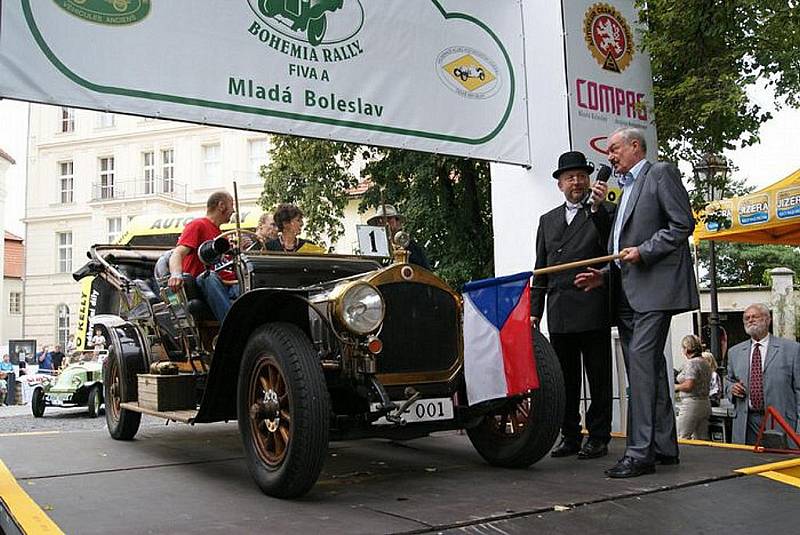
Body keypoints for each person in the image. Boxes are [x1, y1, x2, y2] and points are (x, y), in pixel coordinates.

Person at [575, 127, 699, 478]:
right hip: (627, 292)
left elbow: (681, 225)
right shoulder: (623, 192)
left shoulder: (659, 173)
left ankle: (639, 452)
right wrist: (605, 273)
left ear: (634, 147)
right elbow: (617, 245)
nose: (610, 156)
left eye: (614, 149)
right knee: (651, 370)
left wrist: (644, 252)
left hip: (655, 291)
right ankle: (663, 447)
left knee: (642, 366)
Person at [532, 150, 614, 460]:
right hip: (560, 311)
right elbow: (540, 268)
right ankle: (570, 435)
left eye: (581, 176)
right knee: (565, 379)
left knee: (599, 377)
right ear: (560, 184)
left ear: (589, 180)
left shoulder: (601, 211)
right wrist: (534, 311)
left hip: (592, 307)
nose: (576, 182)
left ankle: (599, 436)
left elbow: (610, 244)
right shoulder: (548, 220)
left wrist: (599, 208)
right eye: (570, 178)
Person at [727, 303, 800, 445]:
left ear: (768, 319)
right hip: (746, 423)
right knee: (747, 463)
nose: (750, 320)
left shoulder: (792, 350)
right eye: (746, 318)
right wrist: (731, 388)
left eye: (755, 316)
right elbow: (729, 381)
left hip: (780, 422)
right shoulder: (734, 352)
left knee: (777, 464)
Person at [168, 191, 239, 321]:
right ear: (221, 205)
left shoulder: (222, 235)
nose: (233, 211)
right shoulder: (197, 225)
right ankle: (233, 330)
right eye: (231, 205)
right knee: (208, 276)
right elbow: (177, 253)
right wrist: (176, 275)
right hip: (205, 284)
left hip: (230, 285)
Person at [367, 204, 430, 269]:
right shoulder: (374, 248)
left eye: (389, 219)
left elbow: (425, 271)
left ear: (397, 222)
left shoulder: (411, 246)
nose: (385, 223)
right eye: (380, 220)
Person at [674, 335, 712, 440]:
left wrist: (675, 387)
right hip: (705, 403)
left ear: (686, 349)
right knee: (701, 439)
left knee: (682, 437)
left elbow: (689, 385)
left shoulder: (691, 363)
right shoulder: (705, 362)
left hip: (691, 404)